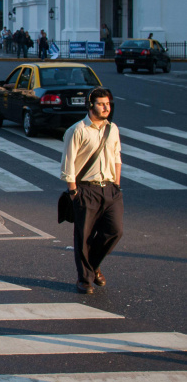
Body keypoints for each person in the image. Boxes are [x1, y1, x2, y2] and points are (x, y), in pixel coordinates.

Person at [60, 87, 122, 295]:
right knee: (84, 236)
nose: (106, 107)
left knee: (115, 231)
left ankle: (93, 265)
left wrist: (117, 185)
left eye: (108, 104)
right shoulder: (77, 130)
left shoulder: (112, 129)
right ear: (90, 105)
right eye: (101, 104)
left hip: (110, 189)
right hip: (85, 189)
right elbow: (68, 163)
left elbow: (116, 158)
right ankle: (84, 279)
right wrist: (73, 191)